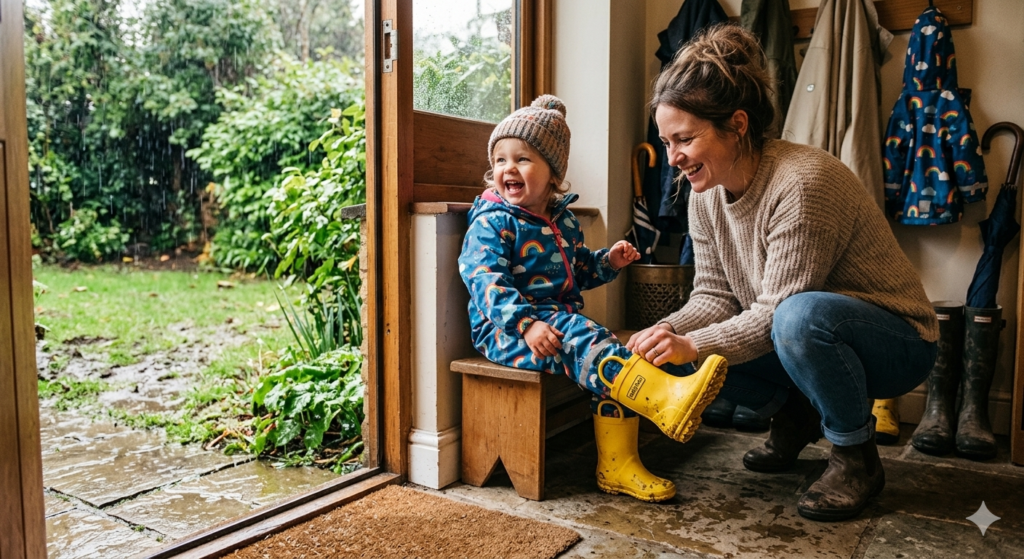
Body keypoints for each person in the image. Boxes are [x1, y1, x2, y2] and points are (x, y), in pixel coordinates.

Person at [627, 25, 938, 521]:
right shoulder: (702, 195)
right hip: (803, 332)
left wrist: (695, 344)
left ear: (738, 124)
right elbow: (713, 296)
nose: (673, 159)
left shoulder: (803, 181)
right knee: (682, 344)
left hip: (897, 342)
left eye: (685, 139)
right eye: (667, 142)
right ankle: (797, 415)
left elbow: (776, 312)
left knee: (797, 316)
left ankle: (855, 458)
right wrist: (667, 333)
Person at [459, 95, 728, 503]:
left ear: (553, 173)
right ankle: (664, 399)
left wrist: (608, 262)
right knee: (585, 340)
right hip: (506, 331)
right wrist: (526, 324)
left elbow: (576, 270)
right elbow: (484, 281)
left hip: (556, 321)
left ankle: (618, 466)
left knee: (605, 356)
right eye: (499, 160)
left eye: (523, 159)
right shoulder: (492, 223)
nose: (507, 169)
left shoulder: (562, 220)